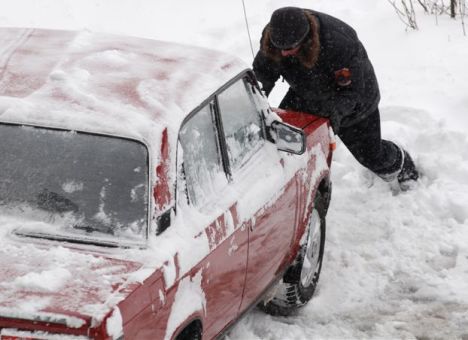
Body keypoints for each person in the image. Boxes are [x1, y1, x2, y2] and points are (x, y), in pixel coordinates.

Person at [253, 7, 419, 189]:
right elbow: (263, 73)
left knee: (372, 156)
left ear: (305, 40)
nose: (284, 54)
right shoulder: (273, 38)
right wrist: (254, 101)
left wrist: (333, 115)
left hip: (355, 101)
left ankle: (402, 164)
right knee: (285, 142)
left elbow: (352, 91)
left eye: (290, 48)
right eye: (280, 48)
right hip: (305, 93)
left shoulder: (339, 43)